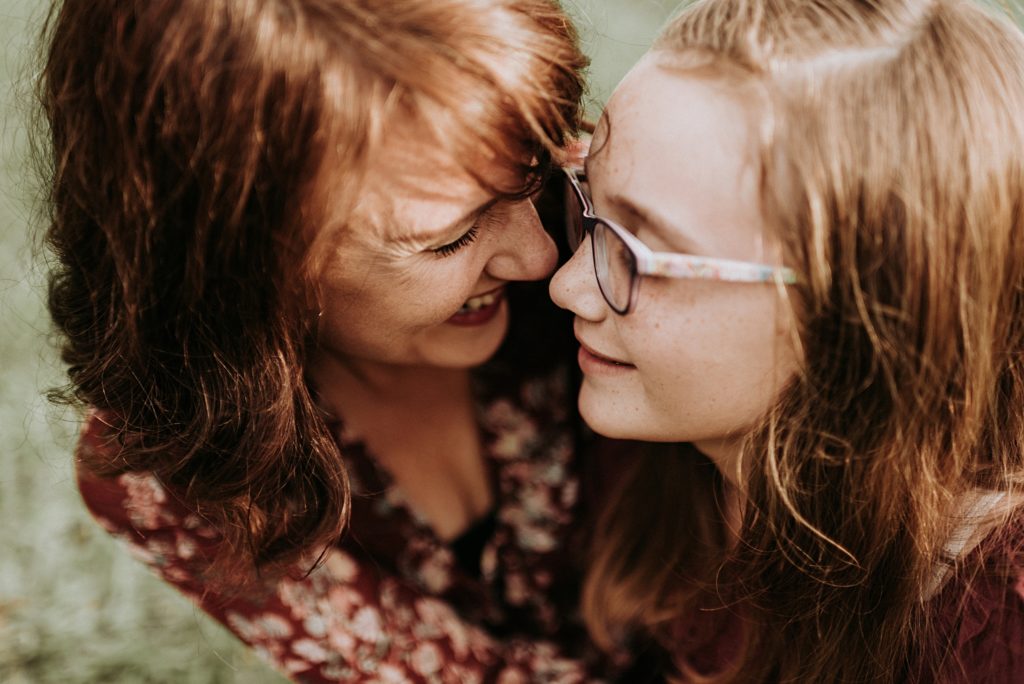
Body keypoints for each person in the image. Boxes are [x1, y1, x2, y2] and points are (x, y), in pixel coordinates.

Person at [39, 0, 613, 680]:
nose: (541, 257)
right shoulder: (180, 470)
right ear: (243, 263)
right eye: (451, 237)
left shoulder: (619, 248)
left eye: (538, 170)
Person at [550, 0, 1024, 681]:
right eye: (588, 203)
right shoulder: (651, 437)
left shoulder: (993, 626)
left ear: (866, 313)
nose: (568, 287)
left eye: (640, 252)